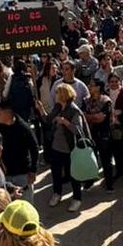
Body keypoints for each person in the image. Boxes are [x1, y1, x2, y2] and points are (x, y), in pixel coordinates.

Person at [46, 83, 92, 212]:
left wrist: (65, 122)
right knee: (55, 172)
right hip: (56, 147)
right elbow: (48, 120)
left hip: (70, 149)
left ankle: (77, 198)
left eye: (57, 92)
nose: (55, 95)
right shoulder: (57, 107)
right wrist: (41, 111)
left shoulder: (74, 110)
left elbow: (78, 129)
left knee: (74, 175)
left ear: (63, 95)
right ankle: (57, 193)